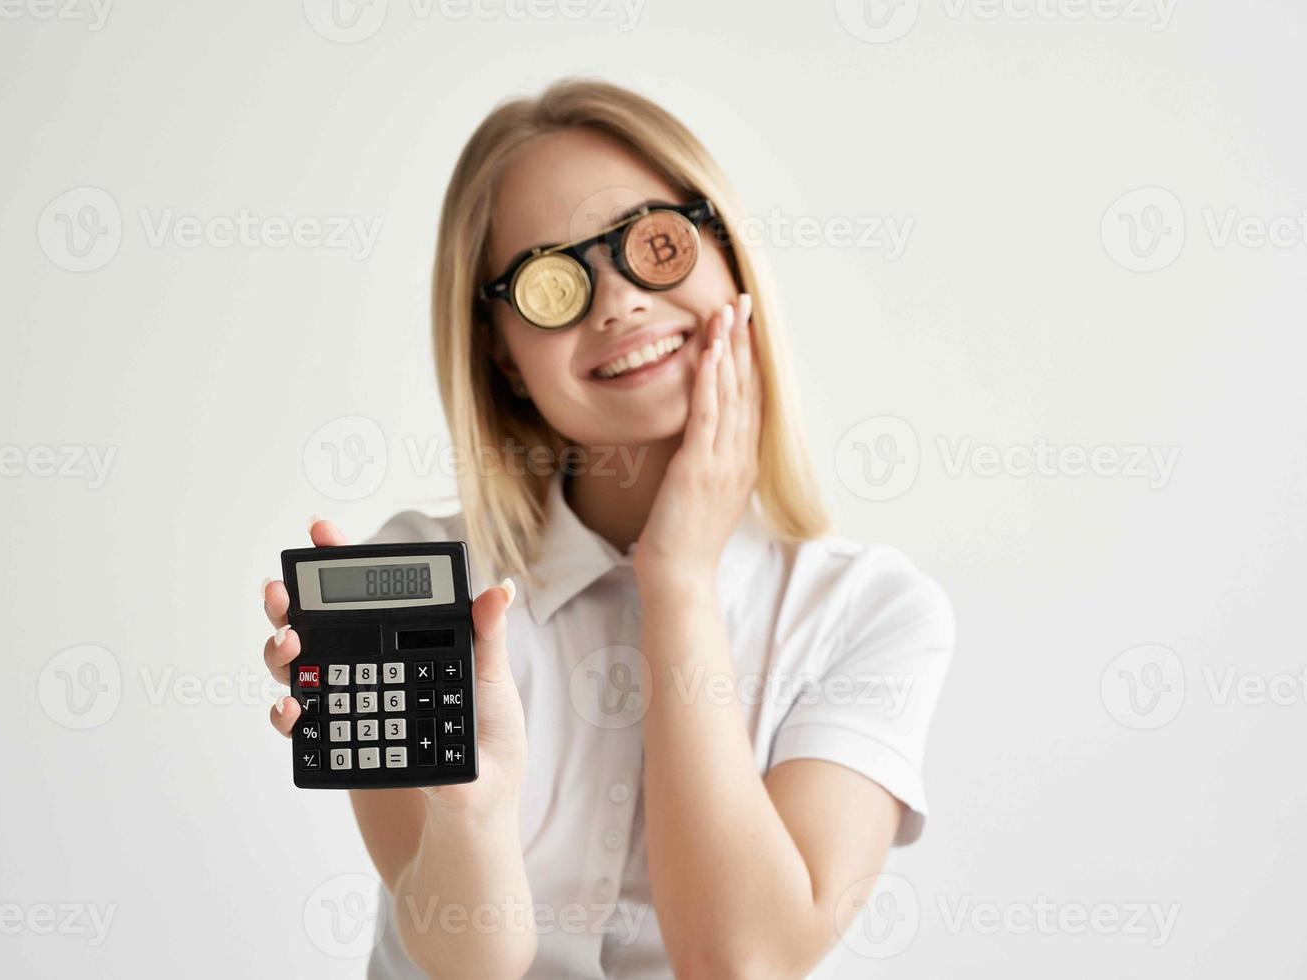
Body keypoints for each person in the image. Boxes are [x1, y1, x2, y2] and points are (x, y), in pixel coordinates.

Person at [259, 77, 954, 979]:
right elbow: (463, 965)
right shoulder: (417, 577)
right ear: (503, 355)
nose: (617, 302)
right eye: (554, 283)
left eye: (653, 244)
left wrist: (677, 581)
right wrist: (470, 803)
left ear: (729, 257)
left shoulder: (872, 613)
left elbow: (740, 963)